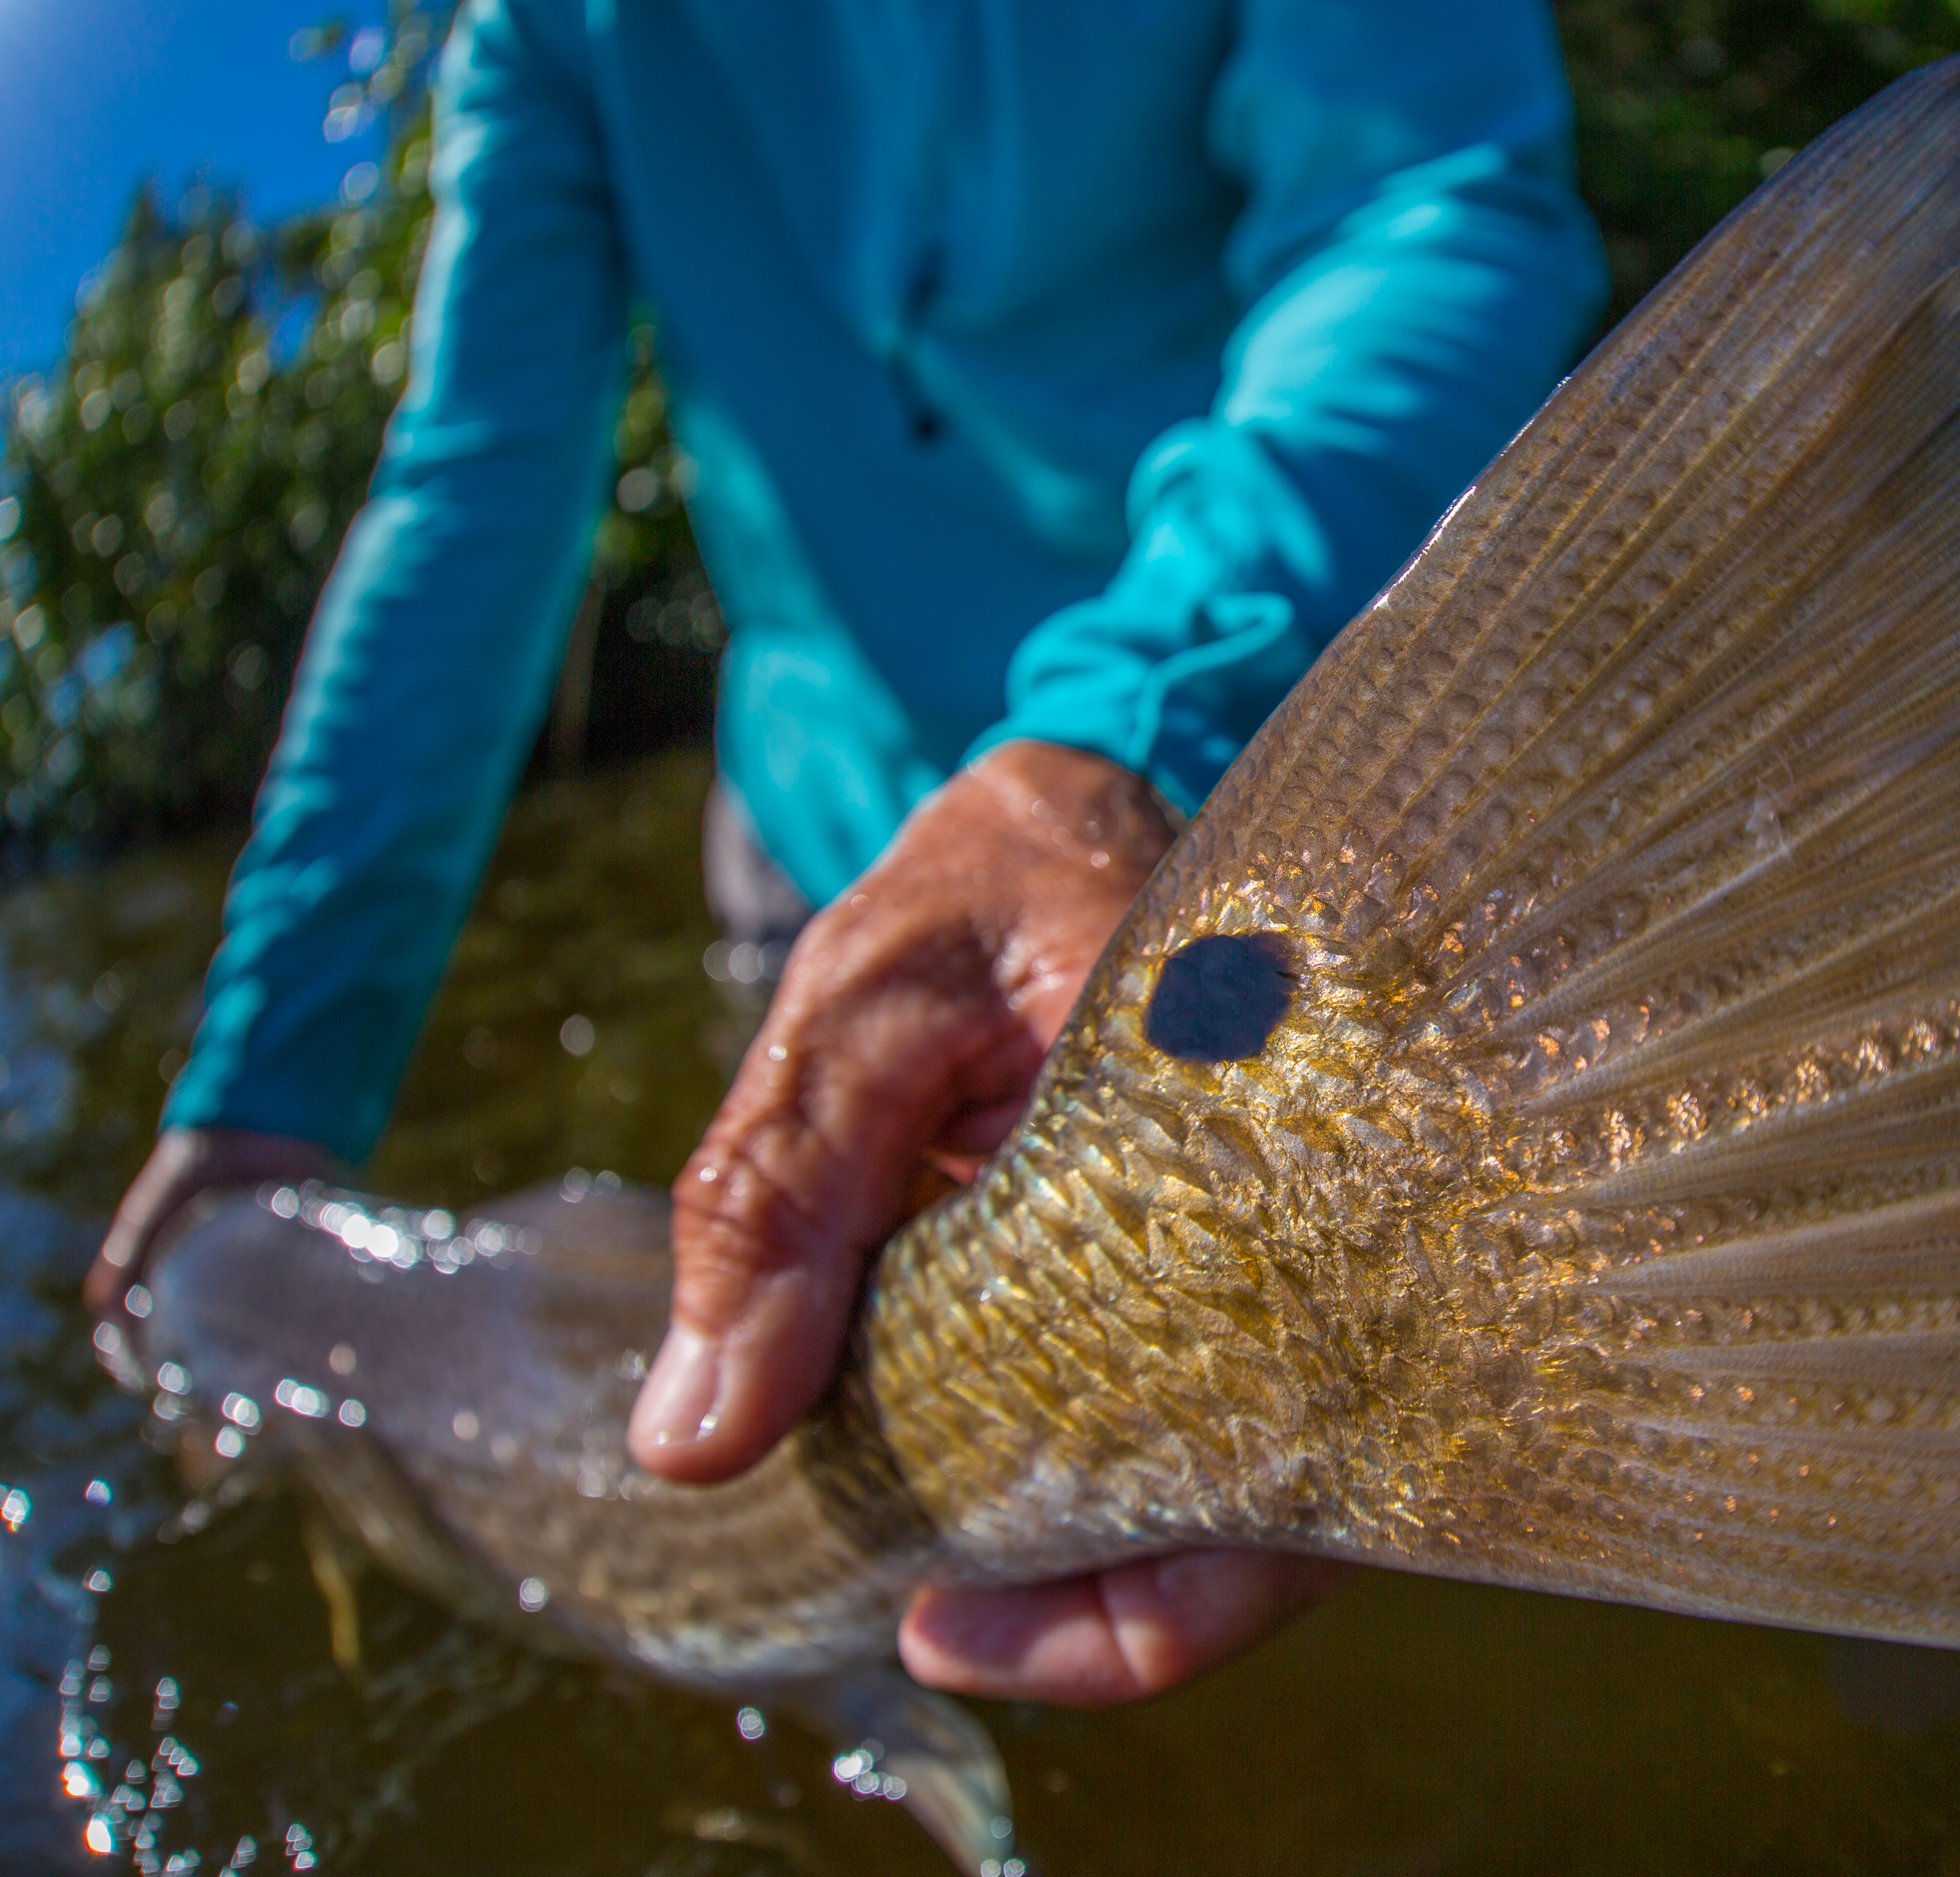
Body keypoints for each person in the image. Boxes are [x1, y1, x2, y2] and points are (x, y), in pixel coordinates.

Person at [87, 0, 1605, 1705]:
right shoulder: (551, 40)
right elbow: (473, 500)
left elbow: (1426, 209)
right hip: (822, 855)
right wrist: (263, 1094)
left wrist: (1135, 729)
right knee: (890, 1455)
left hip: (1273, 737)